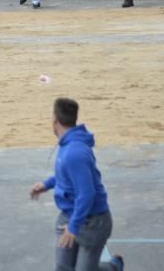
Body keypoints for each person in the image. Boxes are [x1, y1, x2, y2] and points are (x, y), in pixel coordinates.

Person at [29, 97, 124, 271]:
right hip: (70, 214)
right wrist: (47, 184)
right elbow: (67, 177)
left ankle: (113, 267)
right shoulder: (67, 144)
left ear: (54, 119)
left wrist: (73, 227)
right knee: (63, 267)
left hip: (93, 221)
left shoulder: (75, 152)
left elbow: (86, 194)